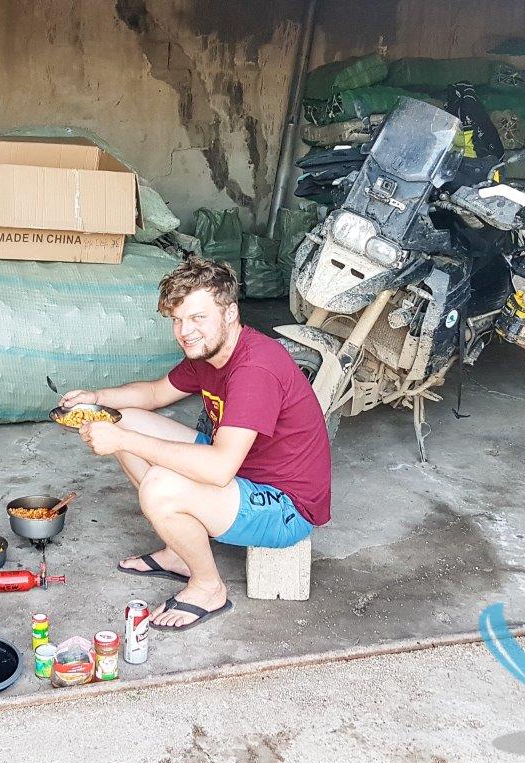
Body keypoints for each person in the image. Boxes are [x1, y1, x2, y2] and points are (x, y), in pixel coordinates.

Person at [61, 256, 332, 631]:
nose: (185, 331)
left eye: (197, 317)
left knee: (160, 486)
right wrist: (96, 398)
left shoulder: (254, 368)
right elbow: (155, 393)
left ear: (230, 313)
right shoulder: (209, 353)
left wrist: (122, 439)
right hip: (245, 468)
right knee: (126, 418)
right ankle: (179, 552)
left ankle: (208, 587)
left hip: (285, 504)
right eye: (178, 319)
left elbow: (219, 469)